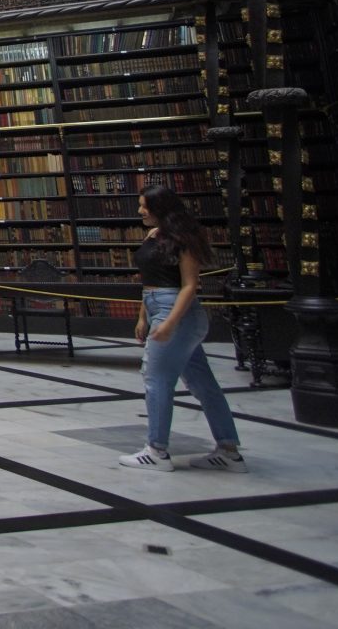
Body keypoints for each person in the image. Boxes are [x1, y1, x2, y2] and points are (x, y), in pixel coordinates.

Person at [120, 183, 246, 473]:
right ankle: (229, 452)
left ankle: (156, 451)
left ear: (159, 208)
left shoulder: (183, 240)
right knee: (204, 385)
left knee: (156, 380)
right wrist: (143, 317)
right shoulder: (155, 235)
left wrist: (169, 323)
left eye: (144, 206)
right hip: (158, 307)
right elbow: (151, 279)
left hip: (177, 313)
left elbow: (189, 286)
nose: (140, 210)